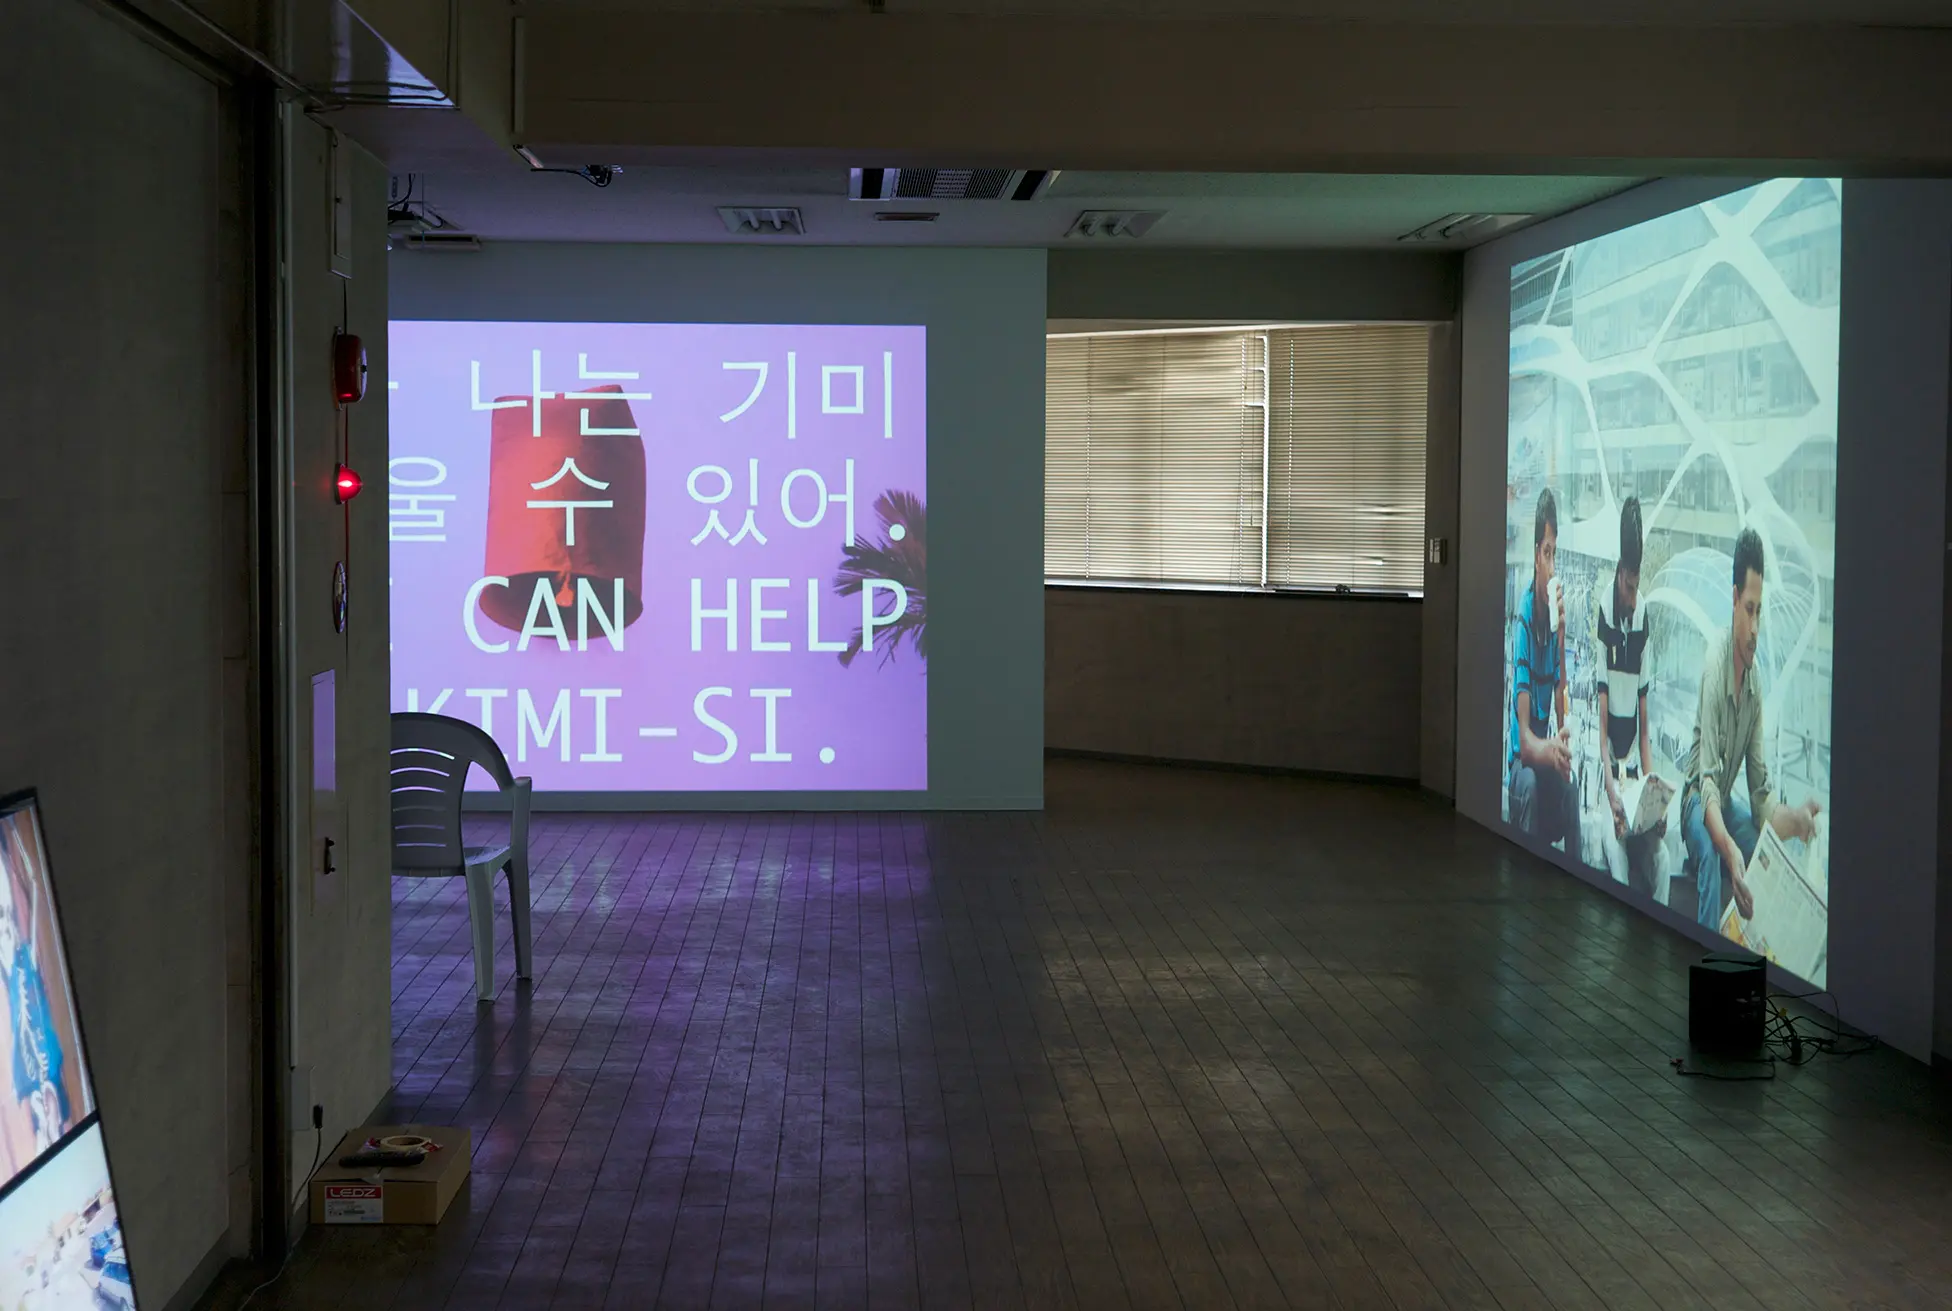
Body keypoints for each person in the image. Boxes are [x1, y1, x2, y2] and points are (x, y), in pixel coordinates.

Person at [1681, 527, 1823, 929]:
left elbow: (1761, 798)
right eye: (1749, 609)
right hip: (1697, 799)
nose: (1755, 626)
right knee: (1713, 860)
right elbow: (1707, 785)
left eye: (1760, 611)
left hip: (1724, 803)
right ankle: (1706, 952)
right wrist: (1729, 850)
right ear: (1733, 600)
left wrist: (1797, 822)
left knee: (1765, 849)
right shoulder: (1715, 663)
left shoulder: (1756, 686)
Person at [1596, 497, 1665, 895]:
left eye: (1638, 587)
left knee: (1662, 858)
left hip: (1635, 780)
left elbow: (1645, 729)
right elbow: (1602, 728)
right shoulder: (1604, 614)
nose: (1634, 597)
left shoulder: (1643, 616)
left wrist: (1651, 793)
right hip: (1612, 778)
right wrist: (1611, 793)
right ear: (1620, 572)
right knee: (1614, 849)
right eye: (1629, 586)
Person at [1509, 487, 1575, 848]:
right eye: (1546, 553)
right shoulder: (1522, 620)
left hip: (1543, 755)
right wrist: (1550, 750)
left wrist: (1561, 636)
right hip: (1522, 765)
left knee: (1571, 787)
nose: (1551, 564)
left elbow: (1562, 716)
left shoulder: (1552, 624)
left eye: (1555, 554)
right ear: (1536, 556)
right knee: (1532, 786)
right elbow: (1524, 742)